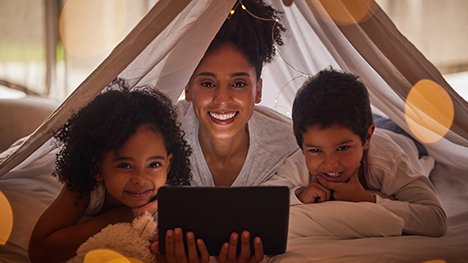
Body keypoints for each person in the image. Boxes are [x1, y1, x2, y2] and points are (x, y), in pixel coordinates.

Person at [154, 0, 300, 262]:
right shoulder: (159, 133)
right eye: (208, 83)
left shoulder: (289, 145)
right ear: (187, 89)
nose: (222, 100)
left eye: (238, 83)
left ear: (258, 91)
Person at [28, 81, 193, 263]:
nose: (140, 179)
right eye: (125, 165)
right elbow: (39, 251)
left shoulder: (170, 197)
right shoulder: (86, 189)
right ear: (96, 167)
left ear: (168, 165)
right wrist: (120, 216)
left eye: (153, 165)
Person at [280, 67, 447, 237]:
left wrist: (366, 200)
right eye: (316, 150)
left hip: (403, 139)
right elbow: (264, 202)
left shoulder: (388, 160)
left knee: (401, 127)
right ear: (300, 143)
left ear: (367, 138)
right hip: (366, 129)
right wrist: (299, 196)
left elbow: (436, 219)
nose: (330, 163)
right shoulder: (298, 162)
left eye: (343, 148)